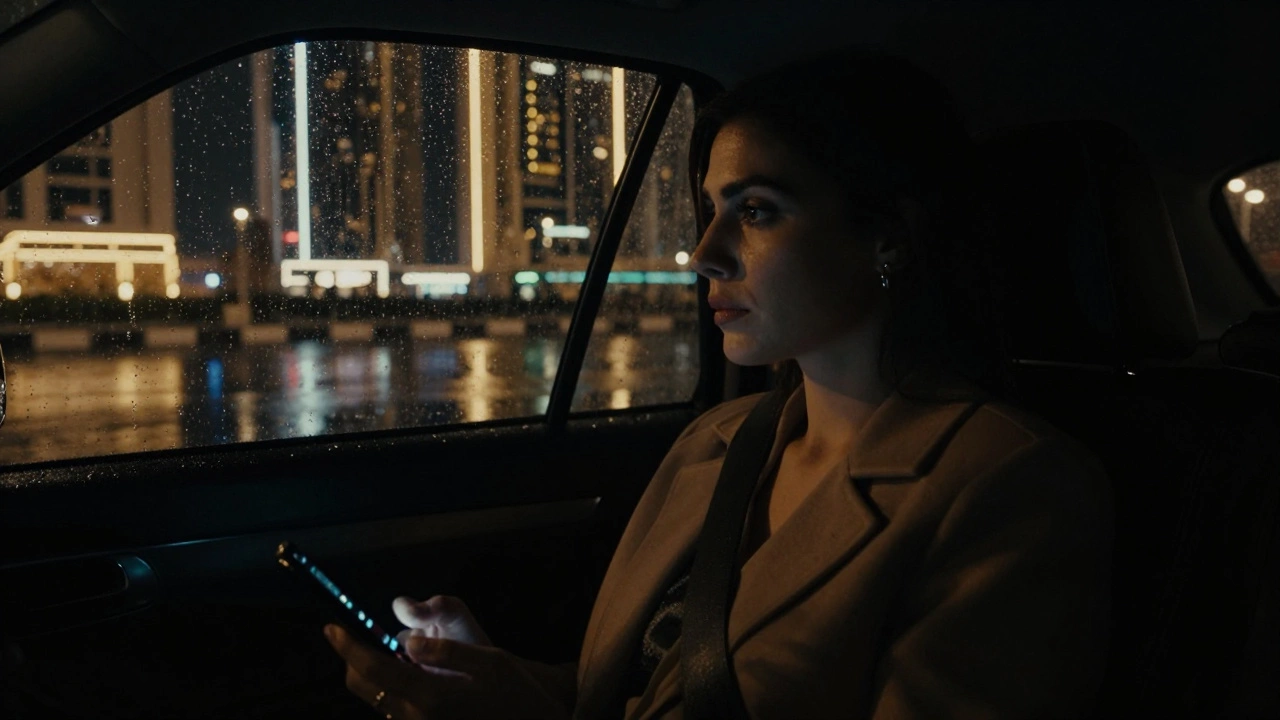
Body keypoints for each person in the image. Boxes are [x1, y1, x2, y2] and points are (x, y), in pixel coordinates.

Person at [324, 49, 1113, 719]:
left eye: (758, 211)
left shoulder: (1010, 487)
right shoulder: (720, 440)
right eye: (709, 210)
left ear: (888, 239)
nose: (705, 252)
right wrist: (493, 687)